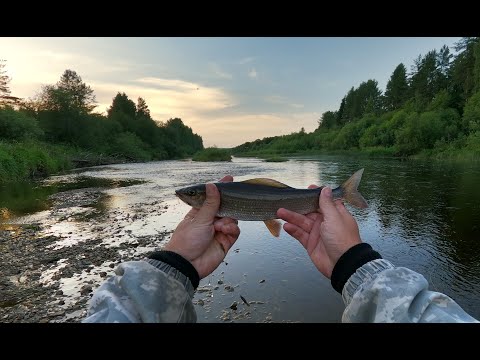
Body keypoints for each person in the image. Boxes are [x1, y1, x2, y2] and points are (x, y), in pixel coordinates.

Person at [83, 175, 479, 323]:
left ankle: (345, 192)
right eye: (190, 195)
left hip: (290, 206)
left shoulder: (221, 196)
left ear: (203, 199)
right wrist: (353, 263)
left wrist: (173, 266)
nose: (184, 197)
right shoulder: (218, 199)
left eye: (191, 195)